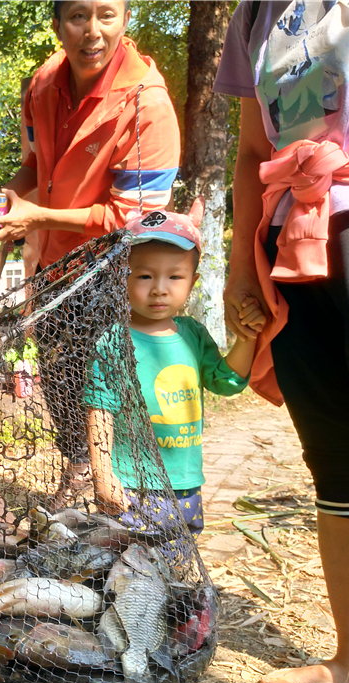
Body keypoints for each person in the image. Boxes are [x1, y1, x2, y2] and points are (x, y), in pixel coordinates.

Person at [214, 0, 349, 683]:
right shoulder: (254, 14)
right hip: (296, 248)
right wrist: (235, 268)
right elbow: (255, 150)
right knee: (336, 457)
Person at [0, 0, 181, 501]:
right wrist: (6, 202)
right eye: (77, 16)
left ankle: (120, 489)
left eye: (106, 15)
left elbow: (136, 221)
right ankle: (77, 476)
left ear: (126, 18)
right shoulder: (43, 83)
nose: (92, 32)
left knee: (101, 386)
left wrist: (37, 217)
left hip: (111, 275)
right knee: (57, 375)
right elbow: (35, 168)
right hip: (51, 267)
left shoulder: (146, 106)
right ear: (57, 24)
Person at [86, 206, 265, 554]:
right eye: (144, 277)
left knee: (178, 562)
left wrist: (248, 338)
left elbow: (227, 381)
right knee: (128, 567)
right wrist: (102, 473)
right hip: (131, 485)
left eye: (175, 277)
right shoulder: (113, 340)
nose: (159, 290)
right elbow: (99, 409)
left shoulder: (193, 336)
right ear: (122, 278)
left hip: (184, 483)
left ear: (193, 281)